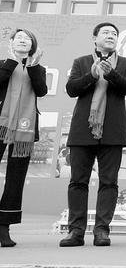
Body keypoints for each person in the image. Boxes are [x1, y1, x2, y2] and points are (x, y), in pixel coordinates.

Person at [59, 23, 126, 247]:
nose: (111, 36)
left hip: (112, 130)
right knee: (78, 181)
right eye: (106, 33)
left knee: (109, 182)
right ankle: (76, 231)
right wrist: (92, 75)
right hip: (83, 129)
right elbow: (71, 89)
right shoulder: (81, 62)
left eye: (114, 34)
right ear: (94, 38)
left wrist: (111, 74)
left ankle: (102, 230)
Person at [0, 29, 47, 247]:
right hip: (1, 124)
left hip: (24, 130)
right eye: (18, 37)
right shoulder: (3, 64)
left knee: (15, 179)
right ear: (11, 43)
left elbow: (41, 90)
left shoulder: (38, 69)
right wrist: (12, 61)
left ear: (32, 46)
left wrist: (34, 66)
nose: (22, 40)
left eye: (27, 39)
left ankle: (3, 227)